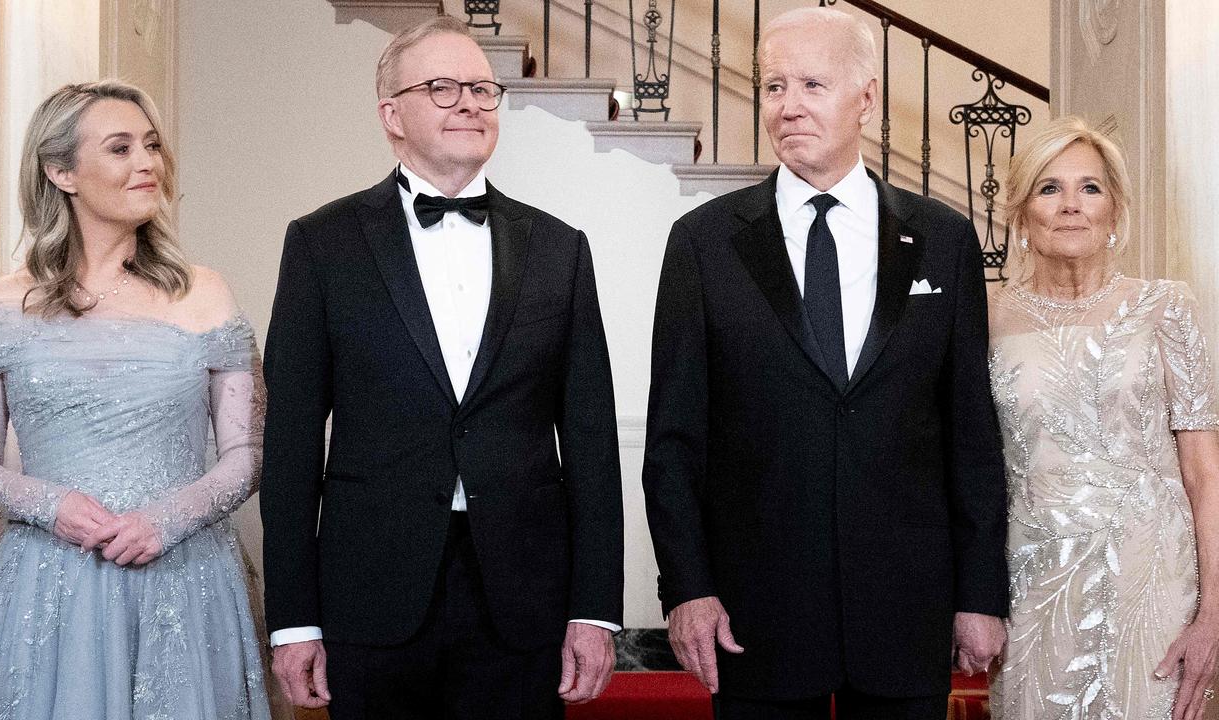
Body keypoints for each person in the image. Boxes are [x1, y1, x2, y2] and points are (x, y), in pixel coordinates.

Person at [641, 7, 1009, 718]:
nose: (788, 105)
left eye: (812, 83)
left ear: (866, 98)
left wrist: (980, 594)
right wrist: (687, 587)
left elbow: (971, 436)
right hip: (757, 613)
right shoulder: (702, 242)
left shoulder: (945, 239)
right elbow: (674, 440)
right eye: (774, 85)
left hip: (907, 609)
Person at [259, 15, 623, 719]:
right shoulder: (320, 245)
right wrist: (294, 621)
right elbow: (292, 447)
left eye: (484, 90)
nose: (470, 103)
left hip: (522, 596)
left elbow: (591, 444)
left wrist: (595, 608)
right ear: (391, 115)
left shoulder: (561, 248)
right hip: (372, 593)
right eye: (444, 87)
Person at [0, 80, 277, 719]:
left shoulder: (205, 293)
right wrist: (52, 505)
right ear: (60, 170)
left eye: (151, 145)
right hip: (50, 581)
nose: (147, 163)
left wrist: (169, 520)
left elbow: (248, 450)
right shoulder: (1, 304)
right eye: (120, 148)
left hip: (184, 576)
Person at [987, 116, 1219, 720]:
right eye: (1049, 187)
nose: (1070, 205)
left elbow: (1204, 472)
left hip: (1155, 587)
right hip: (1033, 589)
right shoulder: (983, 316)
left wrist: (1214, 610)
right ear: (1021, 212)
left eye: (1089, 188)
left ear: (1114, 208)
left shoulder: (1165, 307)